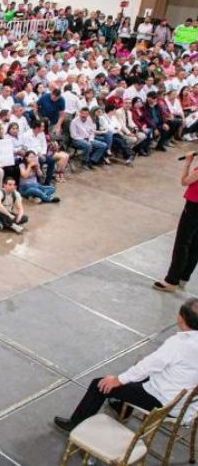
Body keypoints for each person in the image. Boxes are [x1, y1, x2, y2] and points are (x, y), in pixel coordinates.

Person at [54, 298, 198, 432]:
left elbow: (149, 366)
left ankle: (76, 424)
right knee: (137, 371)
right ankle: (122, 406)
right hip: (186, 398)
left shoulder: (179, 344)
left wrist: (117, 380)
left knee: (100, 385)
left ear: (182, 318)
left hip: (164, 401)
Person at [155, 151, 198, 292]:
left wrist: (187, 163)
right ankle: (183, 278)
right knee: (195, 244)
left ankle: (171, 281)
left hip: (194, 207)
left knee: (182, 243)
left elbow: (184, 181)